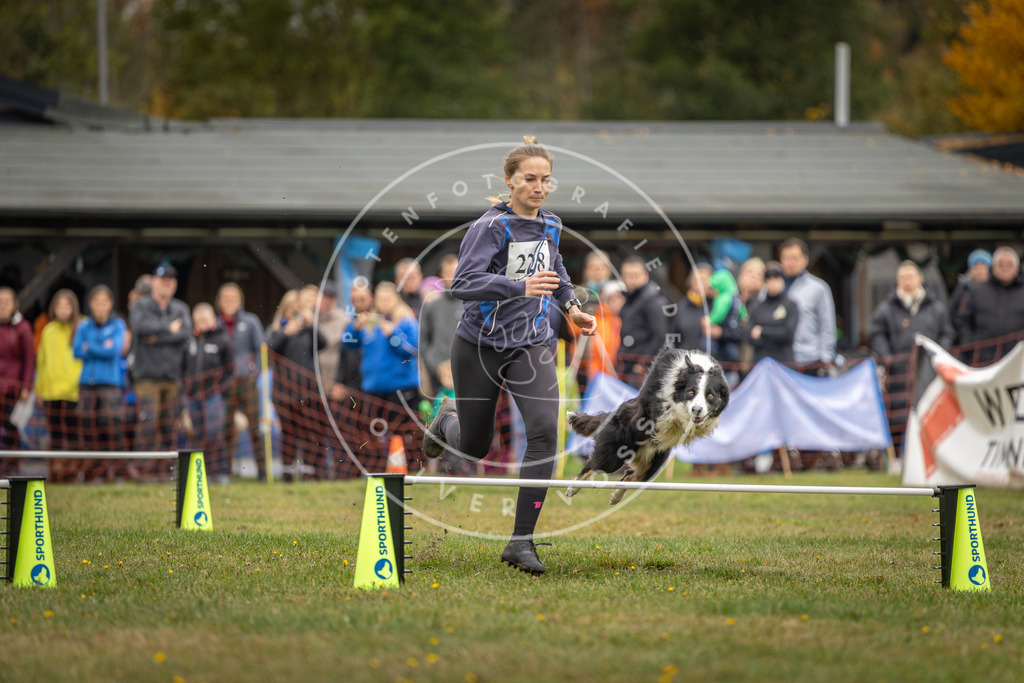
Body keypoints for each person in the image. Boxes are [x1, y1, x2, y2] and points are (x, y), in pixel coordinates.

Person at [422, 136, 597, 575]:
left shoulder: (552, 224)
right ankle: (446, 420)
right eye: (529, 179)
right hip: (479, 345)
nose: (538, 188)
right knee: (477, 446)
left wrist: (573, 308)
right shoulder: (490, 227)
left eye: (545, 180)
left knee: (543, 435)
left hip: (532, 343)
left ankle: (521, 542)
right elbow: (461, 284)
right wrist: (517, 287)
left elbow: (555, 273)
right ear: (509, 181)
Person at [129, 260, 192, 457]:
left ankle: (164, 470)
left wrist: (156, 337)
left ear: (175, 284)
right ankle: (143, 468)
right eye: (162, 280)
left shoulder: (181, 308)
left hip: (172, 378)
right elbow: (140, 327)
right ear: (153, 282)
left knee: (169, 426)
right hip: (147, 377)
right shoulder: (140, 306)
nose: (166, 284)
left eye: (170, 281)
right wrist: (168, 329)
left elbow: (185, 333)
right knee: (147, 424)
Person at [267, 289, 327, 480]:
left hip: (309, 393)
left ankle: (311, 473)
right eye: (290, 309)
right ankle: (287, 473)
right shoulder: (277, 330)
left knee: (311, 433)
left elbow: (323, 343)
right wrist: (285, 333)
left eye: (297, 309)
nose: (294, 313)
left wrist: (311, 325)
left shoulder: (308, 331)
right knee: (288, 434)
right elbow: (267, 349)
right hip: (284, 394)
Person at [215, 281, 267, 480]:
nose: (229, 301)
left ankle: (262, 472)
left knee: (255, 427)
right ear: (219, 301)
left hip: (247, 382)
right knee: (226, 428)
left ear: (240, 301)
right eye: (226, 298)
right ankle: (225, 472)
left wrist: (255, 372)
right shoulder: (215, 323)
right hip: (224, 386)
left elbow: (261, 350)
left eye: (233, 298)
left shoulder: (251, 321)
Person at [73, 284, 128, 458]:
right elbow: (76, 351)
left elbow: (114, 351)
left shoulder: (118, 324)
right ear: (90, 303)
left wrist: (90, 347)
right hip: (86, 383)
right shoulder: (83, 325)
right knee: (87, 424)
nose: (100, 306)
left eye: (104, 302)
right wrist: (102, 347)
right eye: (97, 302)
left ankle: (117, 465)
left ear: (111, 303)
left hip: (110, 383)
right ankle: (91, 466)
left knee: (111, 423)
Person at [183, 302, 234, 482]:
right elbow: (181, 368)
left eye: (205, 319)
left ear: (213, 318)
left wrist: (220, 388)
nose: (202, 323)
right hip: (192, 397)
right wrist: (184, 389)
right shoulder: (189, 339)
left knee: (214, 433)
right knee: (197, 434)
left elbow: (231, 369)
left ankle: (220, 472)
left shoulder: (223, 339)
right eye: (198, 320)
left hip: (213, 396)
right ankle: (199, 473)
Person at [35, 289, 84, 458]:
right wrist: (39, 389)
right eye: (59, 305)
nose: (63, 309)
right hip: (51, 392)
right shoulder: (48, 330)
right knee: (54, 434)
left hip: (74, 392)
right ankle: (57, 470)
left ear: (74, 307)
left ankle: (74, 469)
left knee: (74, 433)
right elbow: (42, 361)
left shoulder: (82, 326)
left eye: (67, 305)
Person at [954, 246, 1024, 363]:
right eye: (1000, 264)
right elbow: (963, 321)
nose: (1005, 268)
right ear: (993, 268)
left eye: (1009, 265)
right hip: (983, 360)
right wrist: (970, 345)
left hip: (1019, 361)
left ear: (1017, 268)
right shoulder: (977, 291)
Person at [779, 238, 837, 371]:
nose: (790, 263)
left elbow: (827, 326)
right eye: (786, 258)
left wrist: (825, 358)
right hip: (779, 360)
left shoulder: (818, 288)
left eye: (794, 258)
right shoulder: (772, 289)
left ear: (805, 260)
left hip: (810, 359)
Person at [616, 255, 669, 387]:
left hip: (641, 368)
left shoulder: (653, 300)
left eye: (636, 275)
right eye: (628, 275)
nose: (632, 280)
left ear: (645, 275)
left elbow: (659, 335)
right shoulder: (629, 298)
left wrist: (643, 362)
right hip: (627, 363)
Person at [418, 253, 462, 396]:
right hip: (437, 378)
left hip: (467, 375)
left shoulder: (473, 304)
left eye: (455, 271)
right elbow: (423, 342)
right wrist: (437, 367)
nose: (451, 276)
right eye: (447, 272)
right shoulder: (431, 306)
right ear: (441, 275)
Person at [0, 287, 35, 452]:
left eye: (6, 302)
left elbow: (29, 359)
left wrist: (26, 386)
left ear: (14, 304)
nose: (3, 305)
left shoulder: (23, 328)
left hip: (14, 388)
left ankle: (12, 466)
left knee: (12, 428)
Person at [744, 261, 799, 363]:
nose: (773, 283)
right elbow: (750, 336)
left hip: (783, 362)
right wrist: (775, 332)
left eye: (776, 279)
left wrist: (762, 331)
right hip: (761, 362)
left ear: (783, 280)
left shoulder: (790, 305)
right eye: (769, 280)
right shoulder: (757, 307)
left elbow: (787, 334)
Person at [331, 277, 373, 401]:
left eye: (362, 299)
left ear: (371, 297)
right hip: (352, 386)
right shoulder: (350, 325)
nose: (359, 303)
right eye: (355, 300)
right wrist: (339, 382)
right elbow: (343, 354)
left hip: (375, 386)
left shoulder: (382, 322)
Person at [948, 249, 990, 344]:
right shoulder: (962, 288)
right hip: (966, 341)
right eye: (976, 266)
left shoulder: (996, 289)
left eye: (983, 266)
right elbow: (952, 313)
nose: (979, 270)